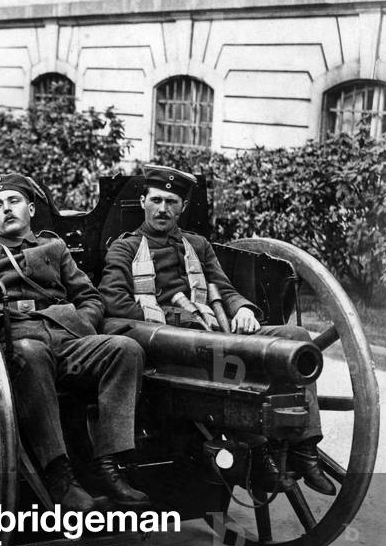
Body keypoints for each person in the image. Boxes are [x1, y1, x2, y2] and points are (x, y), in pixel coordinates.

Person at [98, 164, 334, 495]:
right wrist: (178, 318)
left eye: (171, 202)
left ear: (182, 208)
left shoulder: (198, 245)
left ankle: (306, 450)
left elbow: (224, 288)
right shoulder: (124, 248)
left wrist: (244, 310)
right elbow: (115, 304)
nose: (163, 209)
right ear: (142, 202)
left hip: (213, 333)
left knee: (295, 340)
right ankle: (260, 452)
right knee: (229, 359)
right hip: (164, 344)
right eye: (156, 200)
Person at [0, 173, 150, 511]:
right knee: (32, 353)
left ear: (30, 208)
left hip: (67, 341)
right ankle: (59, 474)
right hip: (14, 350)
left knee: (125, 349)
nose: (6, 210)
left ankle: (109, 465)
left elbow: (90, 297)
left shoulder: (54, 247)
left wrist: (81, 322)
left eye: (14, 201)